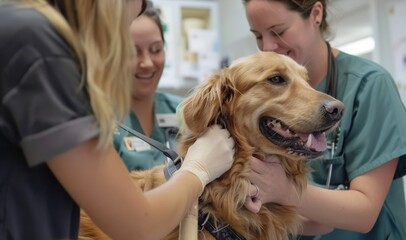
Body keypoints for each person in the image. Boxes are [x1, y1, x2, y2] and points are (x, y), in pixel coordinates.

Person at [0, 0, 235, 239]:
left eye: (156, 49)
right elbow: (138, 224)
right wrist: (198, 170)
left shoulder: (18, 25)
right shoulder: (37, 45)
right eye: (126, 29)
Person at [242, 0, 406, 239]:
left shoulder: (369, 86)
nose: (267, 47)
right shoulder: (268, 106)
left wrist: (285, 190)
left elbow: (364, 212)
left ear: (316, 14)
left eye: (278, 32)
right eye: (258, 36)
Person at [115, 1, 184, 171]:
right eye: (133, 52)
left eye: (156, 50)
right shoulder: (102, 120)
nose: (147, 63)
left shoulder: (186, 110)